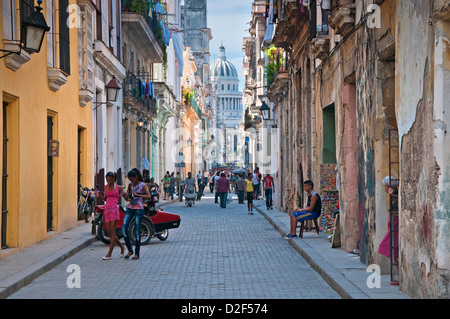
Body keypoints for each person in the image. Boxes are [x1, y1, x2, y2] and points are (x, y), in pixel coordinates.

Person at [123, 169, 151, 260]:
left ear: (136, 177)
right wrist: (124, 195)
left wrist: (138, 195)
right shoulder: (130, 185)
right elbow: (128, 198)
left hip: (139, 209)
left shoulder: (142, 185)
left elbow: (149, 196)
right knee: (124, 229)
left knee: (137, 230)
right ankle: (130, 249)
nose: (131, 181)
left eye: (132, 179)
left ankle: (137, 253)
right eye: (130, 180)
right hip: (130, 208)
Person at [98, 172, 125, 260]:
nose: (108, 182)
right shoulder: (106, 187)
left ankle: (109, 254)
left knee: (113, 232)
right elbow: (104, 199)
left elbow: (125, 196)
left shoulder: (118, 187)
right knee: (109, 233)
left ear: (113, 179)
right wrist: (99, 194)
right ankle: (121, 246)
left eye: (109, 180)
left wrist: (124, 195)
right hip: (107, 210)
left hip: (114, 210)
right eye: (107, 180)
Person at [378, 176, 399, 283]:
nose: (384, 188)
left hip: (395, 225)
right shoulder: (393, 194)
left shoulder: (395, 194)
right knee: (392, 249)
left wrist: (393, 194)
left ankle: (399, 274)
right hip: (393, 225)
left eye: (384, 186)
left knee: (387, 247)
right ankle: (398, 274)